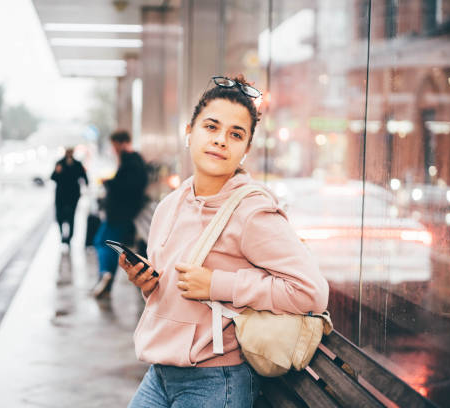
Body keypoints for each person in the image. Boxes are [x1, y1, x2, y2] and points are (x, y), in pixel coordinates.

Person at [120, 75, 329, 407]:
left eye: (235, 135)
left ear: (245, 150)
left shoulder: (252, 210)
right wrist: (147, 283)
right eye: (211, 127)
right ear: (189, 132)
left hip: (216, 382)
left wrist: (218, 284)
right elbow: (176, 291)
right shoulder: (170, 205)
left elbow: (310, 292)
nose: (220, 140)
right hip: (159, 372)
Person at [92, 130, 148, 298]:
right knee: (105, 242)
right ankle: (106, 276)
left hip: (119, 213)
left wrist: (109, 182)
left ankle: (106, 274)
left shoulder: (131, 160)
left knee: (104, 242)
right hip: (120, 212)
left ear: (121, 143)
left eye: (114, 144)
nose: (113, 148)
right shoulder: (132, 160)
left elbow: (127, 186)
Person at [51, 147, 88, 249]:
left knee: (71, 217)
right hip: (61, 195)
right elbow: (52, 177)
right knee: (60, 217)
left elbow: (84, 177)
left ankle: (69, 238)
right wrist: (57, 171)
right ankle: (62, 235)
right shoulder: (59, 163)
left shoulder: (77, 163)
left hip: (73, 195)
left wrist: (86, 186)